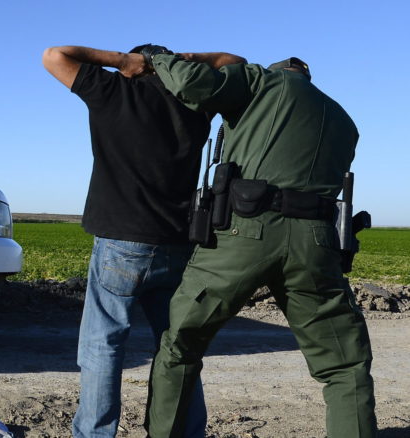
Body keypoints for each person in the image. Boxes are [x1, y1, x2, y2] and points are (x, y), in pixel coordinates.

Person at [136, 52, 377, 438]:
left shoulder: (260, 82)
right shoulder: (343, 120)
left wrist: (157, 58)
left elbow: (192, 85)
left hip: (244, 232)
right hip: (317, 242)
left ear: (276, 71)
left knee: (180, 345)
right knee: (345, 368)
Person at [42, 44, 245, 437]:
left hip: (120, 243)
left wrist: (120, 61)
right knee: (177, 349)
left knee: (103, 346)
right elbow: (235, 63)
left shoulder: (113, 91)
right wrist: (188, 62)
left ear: (134, 69)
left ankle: (95, 433)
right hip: (179, 245)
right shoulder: (196, 103)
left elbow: (54, 55)